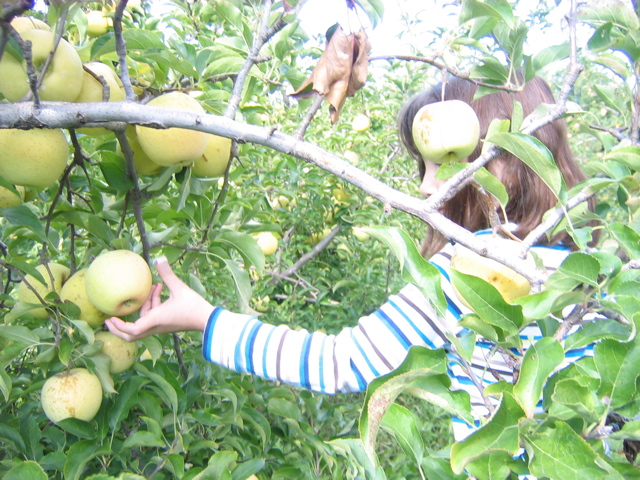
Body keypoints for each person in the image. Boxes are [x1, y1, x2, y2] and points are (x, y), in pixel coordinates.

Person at [105, 75, 598, 442]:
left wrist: (204, 319)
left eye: (443, 163)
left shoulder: (463, 278)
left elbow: (342, 362)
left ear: (505, 163)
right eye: (422, 165)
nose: (426, 186)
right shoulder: (595, 271)